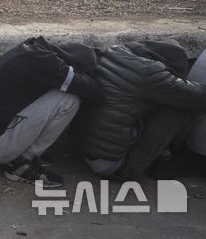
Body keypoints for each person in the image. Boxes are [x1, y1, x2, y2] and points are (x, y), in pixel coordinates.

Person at [0, 36, 103, 188]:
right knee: (69, 100)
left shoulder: (34, 48)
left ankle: (22, 151)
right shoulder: (49, 65)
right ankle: (20, 163)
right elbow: (95, 91)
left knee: (59, 90)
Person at [71, 39, 206, 180]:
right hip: (113, 166)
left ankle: (161, 155)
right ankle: (165, 163)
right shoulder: (151, 74)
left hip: (84, 149)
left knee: (158, 103)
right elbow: (197, 98)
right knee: (178, 112)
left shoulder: (115, 53)